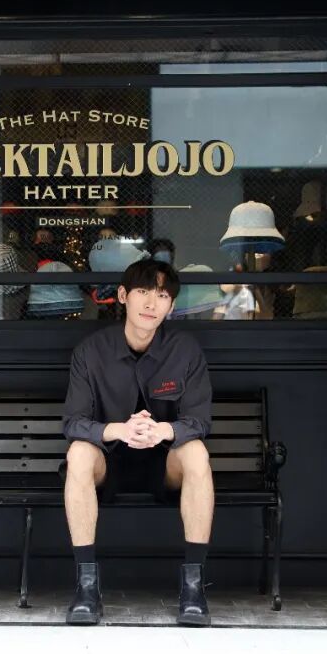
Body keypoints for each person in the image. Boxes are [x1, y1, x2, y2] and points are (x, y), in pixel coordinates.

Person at [61, 258, 214, 626]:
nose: (151, 303)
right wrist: (120, 430)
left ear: (171, 305)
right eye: (143, 292)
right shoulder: (91, 351)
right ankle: (86, 588)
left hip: (165, 466)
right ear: (123, 296)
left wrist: (162, 431)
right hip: (109, 464)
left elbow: (199, 421)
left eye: (161, 295)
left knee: (196, 451)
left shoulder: (185, 350)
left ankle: (194, 588)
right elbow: (74, 422)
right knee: (78, 452)